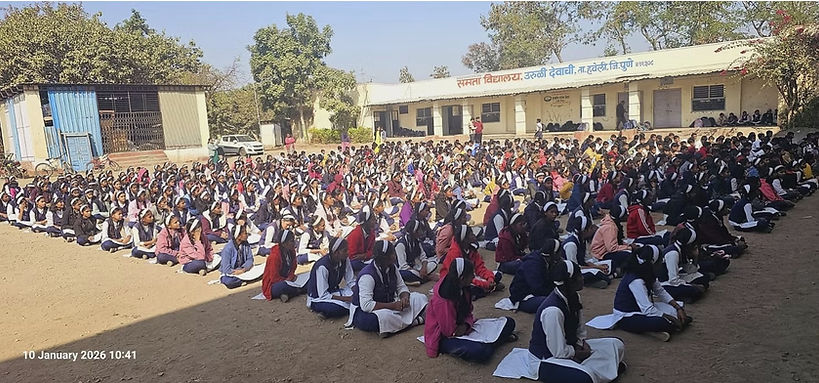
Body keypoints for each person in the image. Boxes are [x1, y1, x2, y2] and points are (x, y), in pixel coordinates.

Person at [494, 260, 626, 383]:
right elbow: (558, 352)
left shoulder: (574, 296)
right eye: (579, 275)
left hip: (570, 347)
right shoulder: (553, 310)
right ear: (570, 281)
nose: (582, 278)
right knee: (586, 377)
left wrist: (581, 343)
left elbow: (580, 328)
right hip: (547, 358)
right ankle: (598, 369)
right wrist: (578, 353)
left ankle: (593, 368)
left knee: (616, 344)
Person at [587, 245, 691, 341]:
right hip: (627, 316)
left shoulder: (648, 273)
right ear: (652, 262)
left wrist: (678, 308)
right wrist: (670, 318)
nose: (661, 264)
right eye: (660, 261)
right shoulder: (636, 280)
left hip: (640, 309)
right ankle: (658, 328)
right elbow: (647, 309)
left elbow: (660, 291)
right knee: (663, 322)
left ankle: (666, 326)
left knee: (677, 312)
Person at [424, 257, 517, 362]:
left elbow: (469, 312)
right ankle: (494, 342)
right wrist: (464, 327)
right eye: (471, 274)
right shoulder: (443, 298)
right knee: (482, 351)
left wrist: (466, 325)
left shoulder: (464, 287)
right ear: (462, 278)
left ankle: (491, 342)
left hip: (464, 327)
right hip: (444, 337)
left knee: (509, 322)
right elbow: (449, 331)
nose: (473, 276)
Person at [348, 240, 429, 337]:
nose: (395, 256)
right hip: (369, 312)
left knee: (420, 297)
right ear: (385, 258)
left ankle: (392, 327)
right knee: (381, 318)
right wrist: (393, 306)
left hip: (390, 304)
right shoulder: (368, 275)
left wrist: (405, 298)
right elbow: (366, 305)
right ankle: (416, 321)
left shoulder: (392, 268)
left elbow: (401, 287)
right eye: (393, 254)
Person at [441, 224, 504, 299]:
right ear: (465, 238)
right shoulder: (454, 253)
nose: (474, 235)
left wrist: (490, 278)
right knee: (466, 287)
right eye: (471, 234)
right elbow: (461, 278)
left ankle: (486, 289)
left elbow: (480, 268)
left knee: (497, 275)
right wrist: (484, 284)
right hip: (458, 280)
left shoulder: (471, 249)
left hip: (471, 276)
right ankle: (484, 289)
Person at [306, 237, 356, 319]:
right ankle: (328, 311)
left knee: (360, 290)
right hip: (318, 298)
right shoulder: (323, 266)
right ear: (336, 253)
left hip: (335, 292)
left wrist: (356, 291)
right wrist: (346, 299)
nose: (348, 253)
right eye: (345, 251)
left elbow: (350, 280)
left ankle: (327, 312)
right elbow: (323, 295)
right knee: (336, 308)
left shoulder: (345, 260)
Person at [508, 239, 561, 313]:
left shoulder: (545, 260)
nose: (560, 256)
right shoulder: (533, 264)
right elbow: (537, 288)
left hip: (535, 293)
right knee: (553, 302)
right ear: (553, 254)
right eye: (559, 253)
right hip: (523, 297)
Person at [261, 230, 305, 302]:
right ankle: (296, 291)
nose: (294, 243)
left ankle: (289, 293)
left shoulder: (291, 251)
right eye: (291, 241)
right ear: (284, 243)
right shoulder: (274, 257)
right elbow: (274, 278)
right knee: (284, 286)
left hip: (288, 279)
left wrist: (290, 276)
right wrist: (287, 280)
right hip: (274, 284)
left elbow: (293, 266)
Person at [590, 205, 633, 277]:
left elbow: (616, 242)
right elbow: (611, 248)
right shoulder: (610, 227)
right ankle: (620, 271)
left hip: (604, 251)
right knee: (628, 255)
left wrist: (626, 246)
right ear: (620, 217)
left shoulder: (612, 223)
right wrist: (628, 248)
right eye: (625, 215)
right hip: (601, 255)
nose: (627, 217)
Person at [396, 219, 439, 285]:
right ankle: (426, 278)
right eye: (419, 230)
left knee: (433, 264)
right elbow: (403, 265)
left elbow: (423, 257)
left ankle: (417, 279)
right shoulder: (401, 245)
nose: (421, 232)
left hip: (415, 266)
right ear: (414, 231)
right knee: (406, 274)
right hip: (405, 269)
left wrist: (423, 268)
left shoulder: (416, 241)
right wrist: (420, 272)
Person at [219, 225, 256, 289]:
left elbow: (250, 259)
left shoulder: (246, 244)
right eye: (245, 233)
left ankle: (244, 279)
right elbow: (226, 269)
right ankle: (242, 280)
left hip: (243, 270)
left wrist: (244, 269)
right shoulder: (228, 248)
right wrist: (237, 272)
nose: (247, 235)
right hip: (232, 273)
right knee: (228, 281)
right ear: (239, 236)